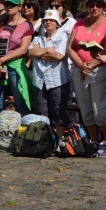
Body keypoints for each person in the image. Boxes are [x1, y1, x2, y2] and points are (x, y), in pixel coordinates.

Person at [67, 0, 106, 157]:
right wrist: (81, 65)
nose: (94, 7)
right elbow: (70, 48)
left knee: (100, 111)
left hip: (101, 70)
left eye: (98, 4)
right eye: (91, 4)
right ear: (86, 6)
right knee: (86, 109)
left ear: (103, 7)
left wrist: (91, 65)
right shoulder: (79, 24)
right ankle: (94, 141)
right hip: (80, 69)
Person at [0, 0, 34, 118]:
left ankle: (21, 133)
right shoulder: (1, 23)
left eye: (12, 5)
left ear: (20, 7)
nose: (9, 7)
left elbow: (23, 50)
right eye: (7, 4)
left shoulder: (27, 25)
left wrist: (2, 60)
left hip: (15, 66)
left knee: (21, 101)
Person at [28, 9, 70, 138]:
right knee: (41, 111)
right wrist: (47, 50)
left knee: (58, 110)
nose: (48, 23)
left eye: (52, 20)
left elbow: (58, 55)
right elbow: (30, 53)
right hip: (39, 79)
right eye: (46, 20)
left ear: (57, 23)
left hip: (57, 79)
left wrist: (39, 53)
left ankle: (61, 140)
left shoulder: (62, 36)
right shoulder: (37, 38)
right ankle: (45, 140)